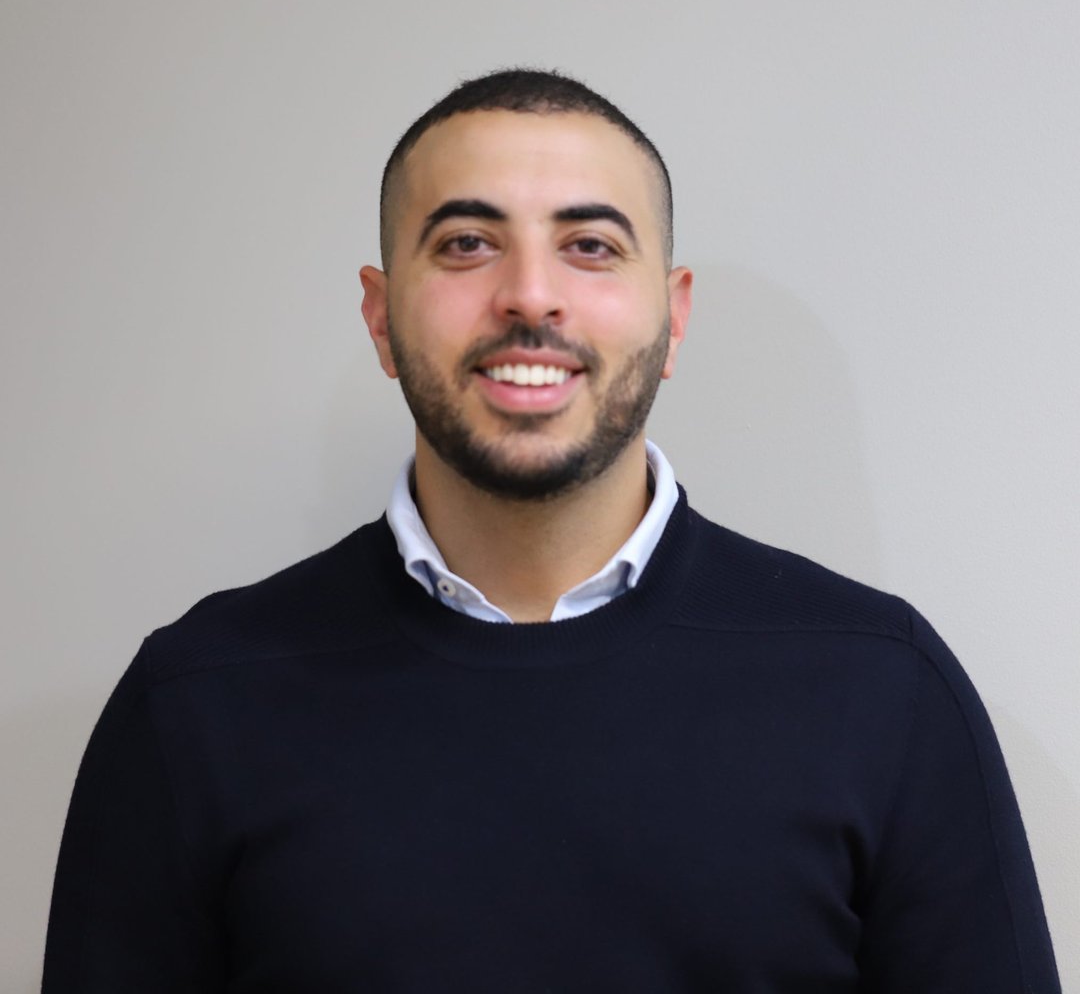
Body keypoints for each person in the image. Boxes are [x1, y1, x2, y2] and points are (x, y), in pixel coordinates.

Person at [43, 68, 1060, 992]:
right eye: (466, 244)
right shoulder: (196, 705)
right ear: (380, 315)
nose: (530, 295)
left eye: (590, 247)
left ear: (673, 317)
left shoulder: (883, 690)